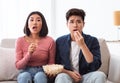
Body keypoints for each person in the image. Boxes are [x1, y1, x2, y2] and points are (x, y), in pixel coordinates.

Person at [55, 8, 106, 83]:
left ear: (83, 24)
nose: (75, 25)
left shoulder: (92, 40)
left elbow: (95, 66)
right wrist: (69, 73)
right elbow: (56, 64)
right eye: (71, 22)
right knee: (61, 77)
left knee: (100, 75)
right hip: (68, 76)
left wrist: (82, 45)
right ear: (67, 24)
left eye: (78, 22)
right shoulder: (60, 41)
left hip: (86, 76)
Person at [15, 11, 56, 83]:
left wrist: (50, 73)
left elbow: (51, 64)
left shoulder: (50, 41)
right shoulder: (20, 41)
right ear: (27, 25)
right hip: (25, 70)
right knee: (25, 76)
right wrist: (29, 54)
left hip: (42, 71)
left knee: (40, 76)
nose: (35, 23)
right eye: (31, 20)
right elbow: (18, 66)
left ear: (42, 25)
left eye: (38, 20)